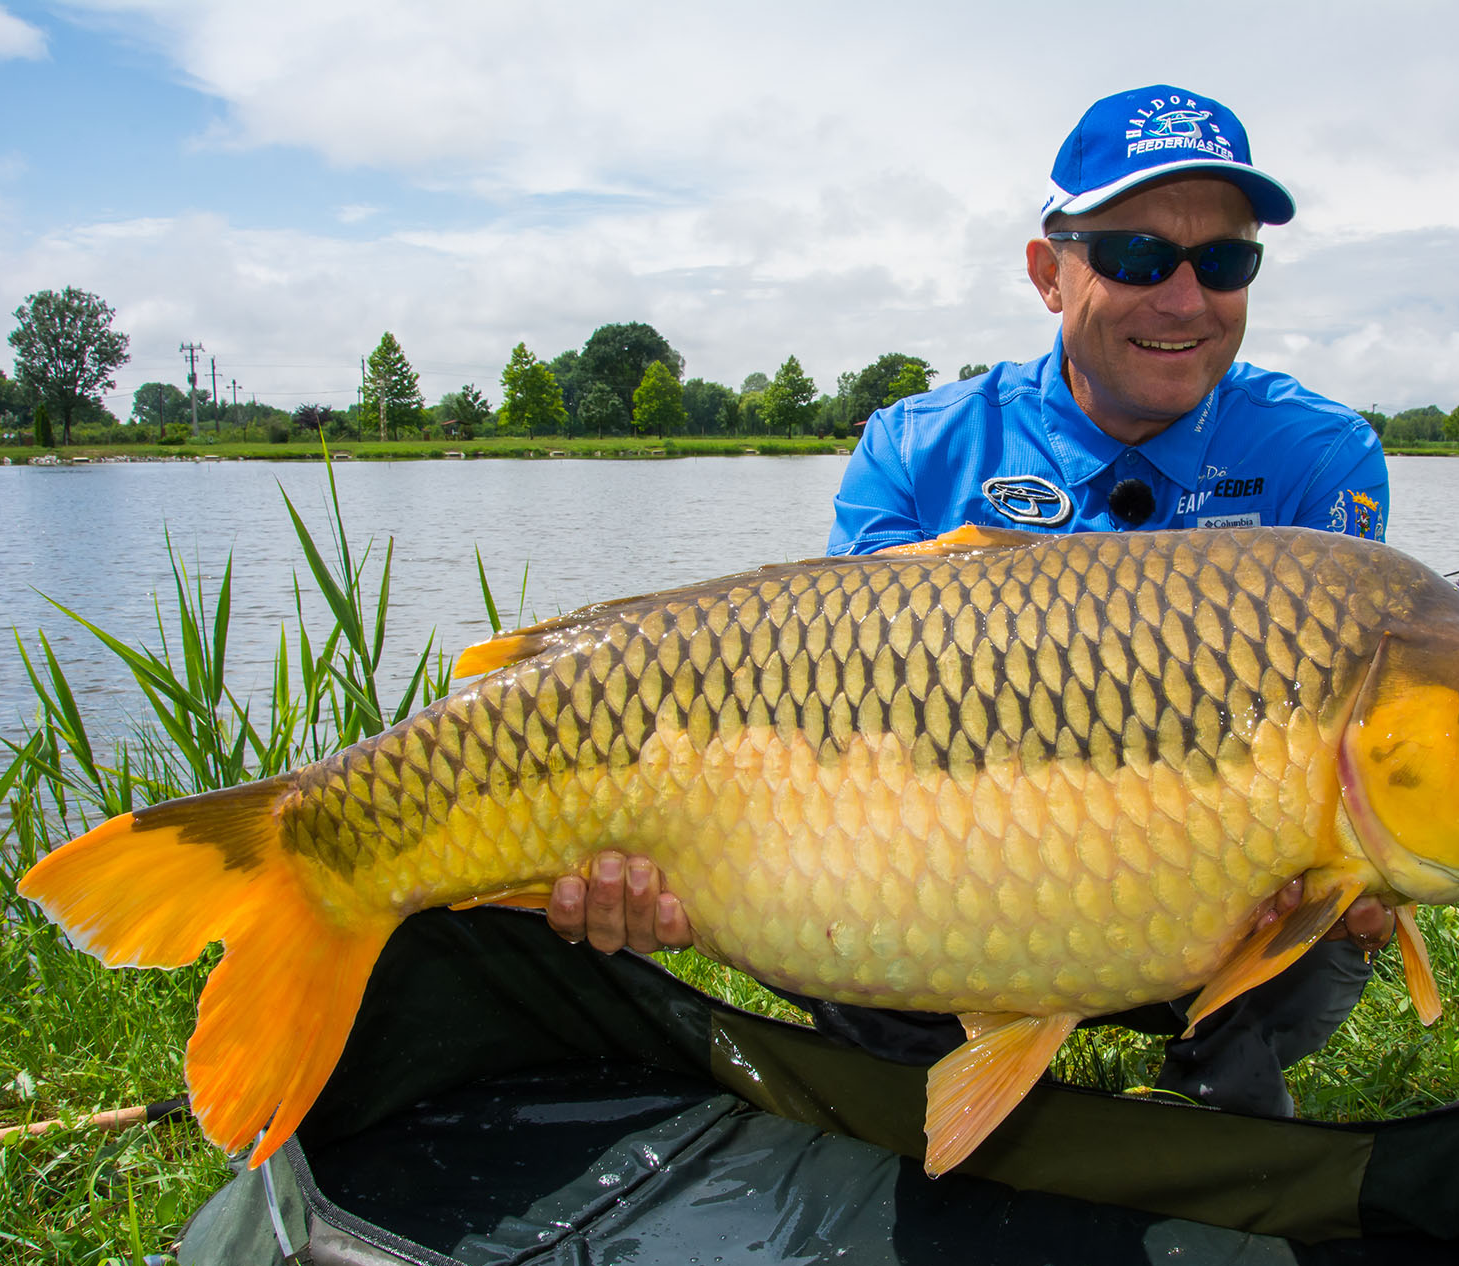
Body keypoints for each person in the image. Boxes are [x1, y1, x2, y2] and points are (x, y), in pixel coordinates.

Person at [549, 84, 1395, 1118]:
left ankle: (1216, 1108)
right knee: (823, 884)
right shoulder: (916, 445)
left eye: (1223, 261)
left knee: (1335, 891)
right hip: (949, 882)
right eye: (1135, 256)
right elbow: (837, 729)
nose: (1184, 299)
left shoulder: (1319, 455)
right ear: (1050, 272)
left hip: (1203, 887)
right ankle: (920, 1090)